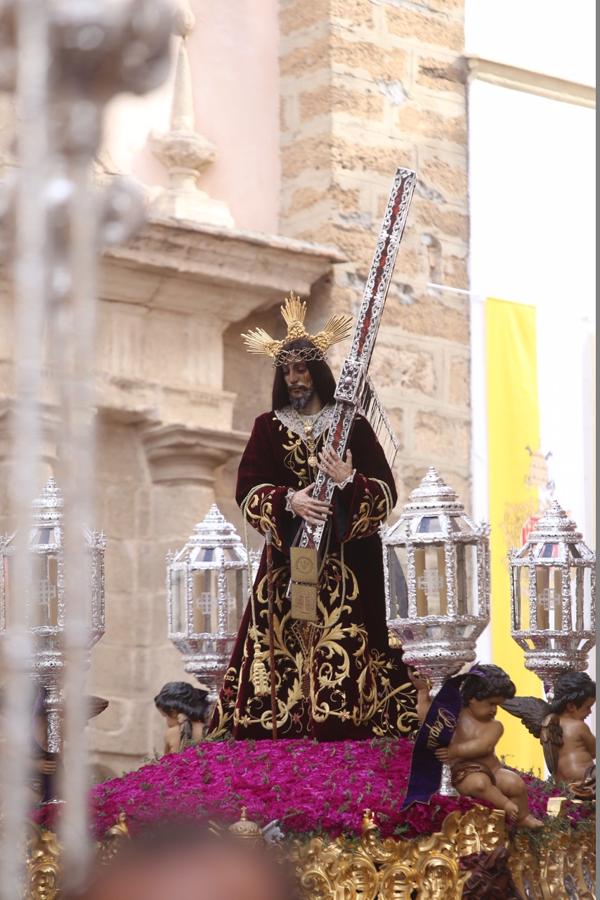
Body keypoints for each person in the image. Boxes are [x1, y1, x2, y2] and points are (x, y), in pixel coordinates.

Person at [208, 293, 417, 740]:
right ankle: (282, 727)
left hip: (347, 563)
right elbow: (248, 490)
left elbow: (384, 494)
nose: (294, 378)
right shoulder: (267, 426)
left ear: (317, 370)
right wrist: (288, 500)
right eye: (286, 370)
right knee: (281, 639)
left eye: (301, 368)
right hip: (288, 562)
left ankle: (348, 726)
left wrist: (348, 481)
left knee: (349, 636)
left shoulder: (352, 425)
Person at [411, 664, 544, 828]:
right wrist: (423, 692)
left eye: (498, 705)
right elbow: (427, 716)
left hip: (493, 770)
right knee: (479, 783)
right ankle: (506, 806)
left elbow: (484, 747)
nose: (494, 710)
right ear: (473, 698)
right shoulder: (454, 716)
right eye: (491, 704)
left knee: (515, 783)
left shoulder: (495, 726)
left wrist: (455, 750)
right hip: (463, 773)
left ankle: (522, 818)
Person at [546, 671, 595, 789]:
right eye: (587, 707)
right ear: (571, 706)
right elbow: (594, 751)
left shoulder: (552, 724)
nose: (590, 712)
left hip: (563, 781)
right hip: (585, 777)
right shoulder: (578, 726)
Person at [154, 682, 210, 754]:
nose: (166, 721)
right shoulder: (207, 729)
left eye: (165, 716)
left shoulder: (171, 733)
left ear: (173, 712)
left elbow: (165, 762)